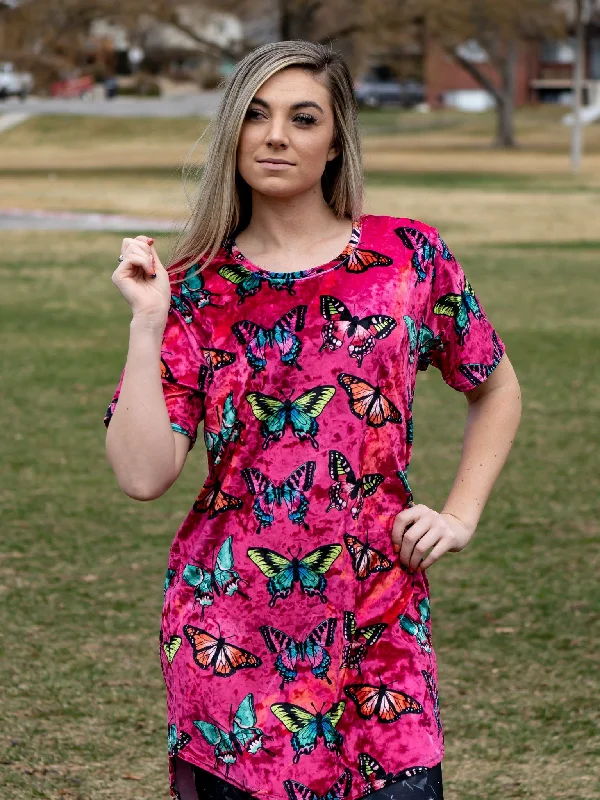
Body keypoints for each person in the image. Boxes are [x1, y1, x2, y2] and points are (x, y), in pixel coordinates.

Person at [103, 40, 521, 800]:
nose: (275, 136)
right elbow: (141, 474)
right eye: (256, 115)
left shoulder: (407, 259)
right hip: (228, 636)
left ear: (335, 143)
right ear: (232, 131)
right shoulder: (196, 288)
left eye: (303, 118)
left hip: (377, 625)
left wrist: (460, 515)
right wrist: (147, 323)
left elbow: (493, 385)